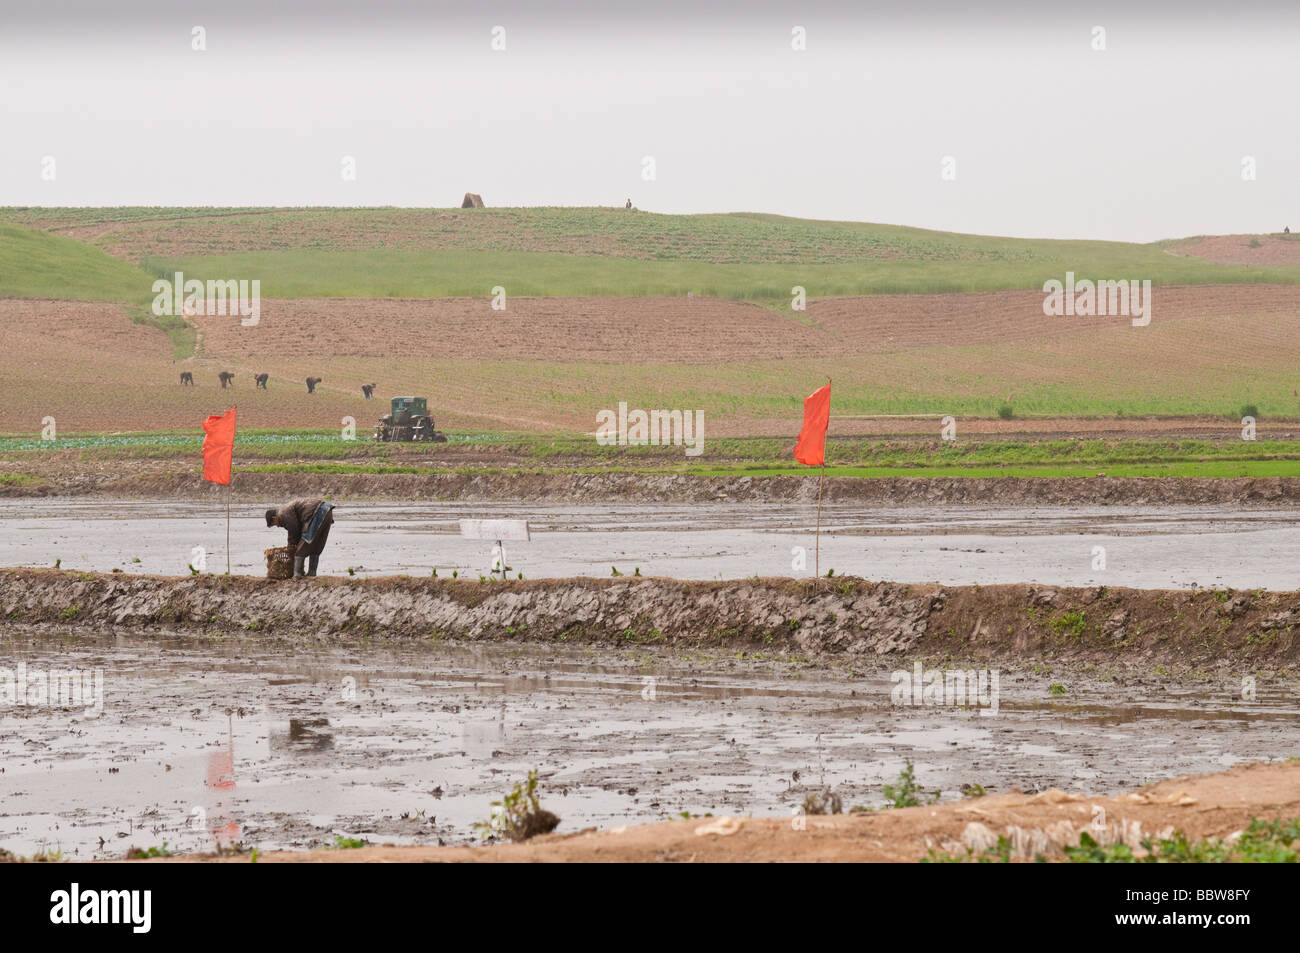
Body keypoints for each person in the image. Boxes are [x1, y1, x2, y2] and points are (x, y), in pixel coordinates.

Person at [266, 498, 335, 577]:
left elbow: (294, 529)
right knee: (317, 546)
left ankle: (297, 575)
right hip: (327, 511)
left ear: (274, 518)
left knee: (301, 549)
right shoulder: (285, 511)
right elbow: (297, 529)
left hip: (317, 512)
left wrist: (291, 547)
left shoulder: (283, 513)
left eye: (275, 524)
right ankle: (312, 573)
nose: (277, 526)